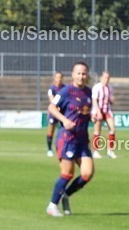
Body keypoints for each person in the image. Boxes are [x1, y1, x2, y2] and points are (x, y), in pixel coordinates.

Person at [46, 62, 94, 217]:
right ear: (73, 75)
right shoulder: (66, 91)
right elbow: (52, 108)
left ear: (87, 75)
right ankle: (52, 205)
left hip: (82, 140)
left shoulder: (89, 92)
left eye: (84, 73)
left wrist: (93, 115)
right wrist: (64, 120)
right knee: (67, 174)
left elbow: (88, 111)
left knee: (87, 173)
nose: (81, 76)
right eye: (78, 73)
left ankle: (65, 195)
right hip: (67, 139)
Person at [91, 71, 117, 159]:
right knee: (97, 131)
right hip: (97, 110)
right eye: (105, 77)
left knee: (112, 128)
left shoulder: (110, 88)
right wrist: (98, 112)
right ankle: (95, 151)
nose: (107, 80)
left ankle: (110, 151)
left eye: (108, 78)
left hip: (107, 111)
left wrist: (112, 100)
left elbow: (111, 100)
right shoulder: (96, 87)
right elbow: (94, 101)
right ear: (101, 78)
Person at [45, 71, 64, 157]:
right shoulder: (51, 89)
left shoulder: (64, 88)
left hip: (62, 113)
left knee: (64, 131)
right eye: (57, 77)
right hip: (54, 112)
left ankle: (62, 147)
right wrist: (56, 108)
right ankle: (49, 149)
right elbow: (52, 100)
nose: (59, 79)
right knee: (51, 130)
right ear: (55, 78)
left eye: (60, 77)